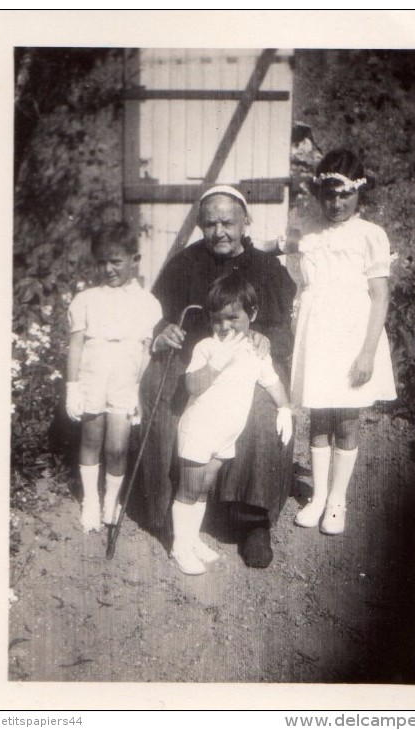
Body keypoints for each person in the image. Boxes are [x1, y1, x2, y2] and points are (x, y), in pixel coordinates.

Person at [140, 185, 297, 568]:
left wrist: (265, 337)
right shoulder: (184, 263)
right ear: (199, 225)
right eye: (209, 223)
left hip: (246, 362)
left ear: (246, 222)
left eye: (228, 222)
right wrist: (164, 332)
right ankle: (168, 510)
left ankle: (251, 520)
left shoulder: (267, 268)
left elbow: (284, 333)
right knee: (162, 391)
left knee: (262, 414)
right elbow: (158, 315)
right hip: (195, 359)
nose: (219, 231)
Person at [287, 149, 397, 535]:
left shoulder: (370, 235)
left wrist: (367, 352)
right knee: (319, 417)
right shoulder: (307, 229)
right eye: (330, 195)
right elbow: (297, 273)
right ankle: (317, 497)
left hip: (353, 337)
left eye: (345, 195)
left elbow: (379, 296)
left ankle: (337, 500)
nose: (336, 203)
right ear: (320, 194)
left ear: (359, 194)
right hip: (319, 334)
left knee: (346, 420)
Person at [172, 273, 293, 575]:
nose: (224, 327)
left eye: (232, 318)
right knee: (189, 490)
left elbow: (272, 381)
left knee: (203, 489)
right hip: (199, 431)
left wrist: (285, 408)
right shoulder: (206, 347)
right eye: (217, 320)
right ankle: (179, 546)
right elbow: (192, 386)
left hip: (225, 435)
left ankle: (191, 538)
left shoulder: (256, 350)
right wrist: (217, 360)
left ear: (252, 315)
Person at [65, 222, 162, 532]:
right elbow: (76, 346)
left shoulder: (147, 303)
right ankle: (91, 501)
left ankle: (111, 500)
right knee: (91, 439)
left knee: (117, 446)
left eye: (115, 261)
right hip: (92, 377)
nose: (108, 269)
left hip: (125, 379)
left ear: (134, 259)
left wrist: (139, 390)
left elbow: (147, 351)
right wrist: (72, 387)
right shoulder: (86, 299)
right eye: (102, 262)